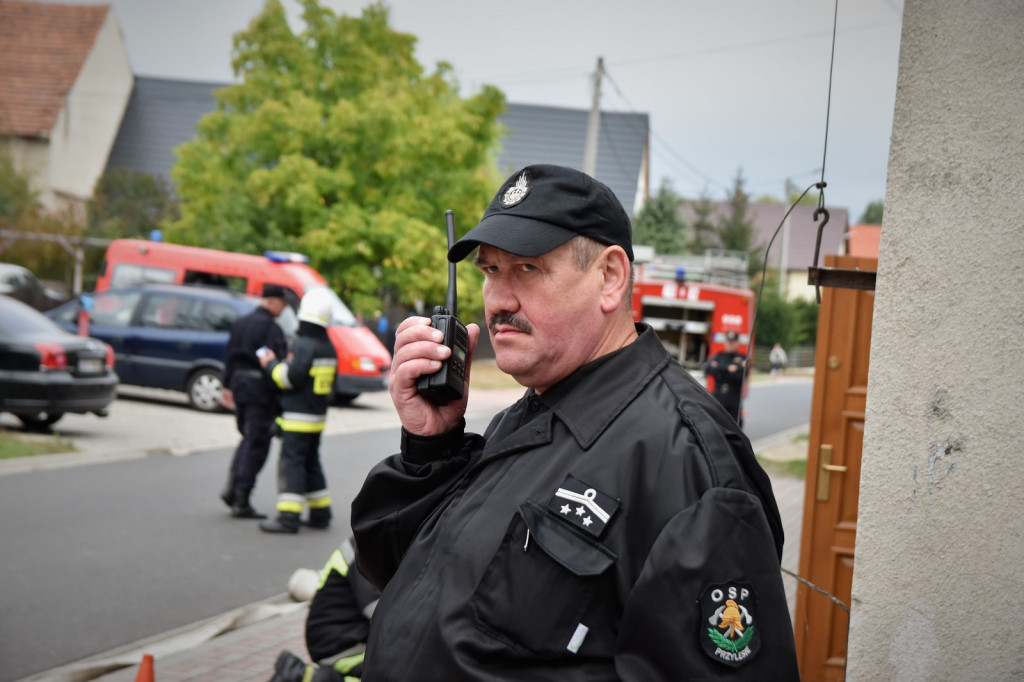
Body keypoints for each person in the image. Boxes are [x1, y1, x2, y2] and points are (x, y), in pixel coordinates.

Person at [350, 164, 799, 679]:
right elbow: (400, 572)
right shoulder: (525, 416)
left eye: (527, 269)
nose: (498, 299)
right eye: (490, 271)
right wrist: (432, 446)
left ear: (609, 277)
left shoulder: (685, 460)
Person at [258, 288, 339, 534]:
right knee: (311, 462)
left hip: (296, 418)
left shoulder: (304, 345)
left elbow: (289, 379)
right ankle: (320, 513)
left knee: (291, 464)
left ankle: (288, 518)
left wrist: (270, 364)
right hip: (316, 418)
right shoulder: (329, 347)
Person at [219, 283, 289, 519]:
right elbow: (275, 363)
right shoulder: (271, 328)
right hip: (259, 389)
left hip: (239, 385)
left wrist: (227, 385)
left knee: (248, 438)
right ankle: (241, 498)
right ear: (272, 302)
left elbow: (229, 356)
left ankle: (232, 488)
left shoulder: (240, 323)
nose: (284, 309)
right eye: (282, 304)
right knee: (257, 442)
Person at [269, 537, 381, 682]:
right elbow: (379, 610)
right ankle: (303, 677)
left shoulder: (371, 536)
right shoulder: (370, 548)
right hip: (343, 645)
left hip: (341, 637)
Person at [704, 329, 749, 424]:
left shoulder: (742, 358)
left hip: (734, 401)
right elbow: (708, 368)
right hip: (718, 399)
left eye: (733, 342)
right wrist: (727, 368)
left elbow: (740, 376)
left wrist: (719, 369)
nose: (730, 344)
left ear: (737, 343)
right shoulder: (719, 356)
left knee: (734, 430)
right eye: (728, 342)